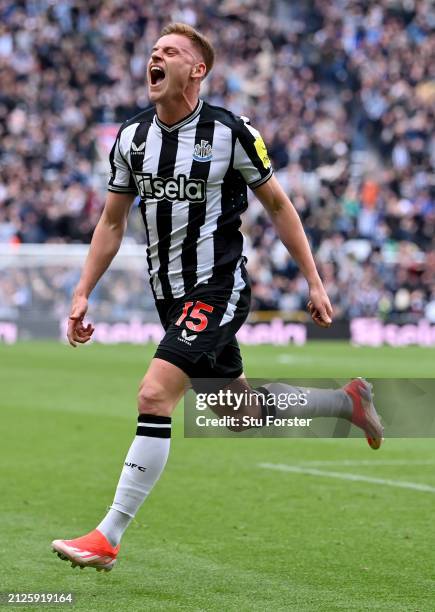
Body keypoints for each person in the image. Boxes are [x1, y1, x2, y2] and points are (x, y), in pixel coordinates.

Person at [51, 23, 383, 572]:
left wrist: (315, 280)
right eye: (153, 51)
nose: (155, 56)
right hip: (169, 297)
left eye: (170, 52)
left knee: (154, 395)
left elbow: (277, 205)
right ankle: (347, 402)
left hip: (217, 286)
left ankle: (107, 535)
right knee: (239, 411)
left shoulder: (230, 131)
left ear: (196, 70)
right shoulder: (131, 138)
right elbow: (111, 222)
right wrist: (82, 291)